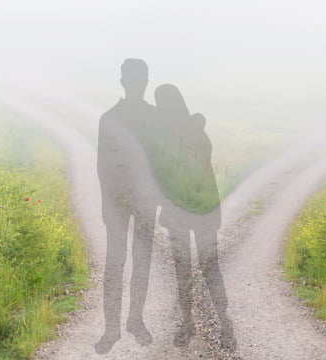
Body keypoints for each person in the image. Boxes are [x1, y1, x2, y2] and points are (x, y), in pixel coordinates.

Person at [154, 84, 236, 350]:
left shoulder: (181, 136)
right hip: (200, 211)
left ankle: (204, 323)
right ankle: (214, 323)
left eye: (160, 104)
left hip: (192, 211)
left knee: (191, 268)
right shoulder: (194, 132)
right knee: (201, 267)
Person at [95, 59, 156, 354]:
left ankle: (131, 321)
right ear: (125, 82)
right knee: (117, 263)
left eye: (139, 79)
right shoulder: (111, 119)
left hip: (138, 201)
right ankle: (115, 326)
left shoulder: (112, 118)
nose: (136, 84)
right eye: (133, 79)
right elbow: (102, 165)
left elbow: (162, 164)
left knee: (134, 262)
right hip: (124, 202)